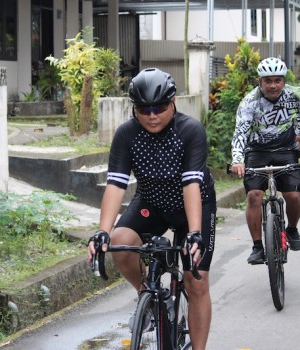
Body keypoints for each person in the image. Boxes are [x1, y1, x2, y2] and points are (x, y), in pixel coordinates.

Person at [87, 68, 216, 350]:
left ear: (174, 103)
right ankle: (148, 293)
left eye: (159, 107)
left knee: (196, 281)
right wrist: (102, 231)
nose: (152, 115)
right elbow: (116, 185)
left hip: (193, 205)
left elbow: (191, 185)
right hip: (152, 203)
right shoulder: (126, 134)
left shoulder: (190, 130)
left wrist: (194, 233)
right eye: (144, 109)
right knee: (120, 242)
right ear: (134, 109)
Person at [230, 57, 300, 265]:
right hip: (257, 151)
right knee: (254, 195)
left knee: (294, 195)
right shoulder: (249, 102)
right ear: (260, 81)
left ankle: (292, 230)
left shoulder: (294, 96)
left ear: (284, 80)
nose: (273, 85)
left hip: (286, 149)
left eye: (277, 80)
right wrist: (237, 160)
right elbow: (240, 132)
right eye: (267, 80)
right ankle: (258, 247)